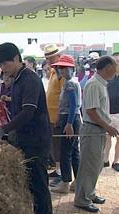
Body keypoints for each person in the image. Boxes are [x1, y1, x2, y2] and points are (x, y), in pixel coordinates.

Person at [0, 43, 52, 214]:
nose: (3, 68)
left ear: (16, 58)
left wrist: (3, 130)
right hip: (23, 138)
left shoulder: (29, 78)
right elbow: (24, 102)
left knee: (39, 186)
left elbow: (28, 111)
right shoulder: (17, 79)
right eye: (0, 65)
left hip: (36, 140)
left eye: (5, 64)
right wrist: (10, 100)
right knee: (29, 184)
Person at [74, 56, 119, 213]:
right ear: (107, 68)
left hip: (98, 129)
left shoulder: (100, 84)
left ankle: (89, 193)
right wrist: (108, 127)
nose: (116, 70)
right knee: (89, 165)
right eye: (114, 67)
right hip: (92, 128)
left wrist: (106, 127)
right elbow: (91, 111)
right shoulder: (94, 84)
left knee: (96, 164)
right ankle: (82, 199)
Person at [49, 55, 81, 194]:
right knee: (73, 151)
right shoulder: (71, 81)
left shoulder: (69, 83)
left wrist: (68, 123)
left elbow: (73, 104)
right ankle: (77, 181)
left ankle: (65, 182)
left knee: (65, 152)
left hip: (69, 119)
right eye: (60, 68)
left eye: (64, 68)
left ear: (71, 69)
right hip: (70, 118)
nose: (61, 71)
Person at [44, 44, 66, 187]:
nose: (50, 61)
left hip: (57, 115)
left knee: (60, 146)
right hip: (50, 115)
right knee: (54, 145)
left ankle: (63, 173)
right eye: (48, 58)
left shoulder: (61, 73)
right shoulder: (53, 71)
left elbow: (63, 96)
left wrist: (58, 115)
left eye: (52, 57)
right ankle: (58, 170)